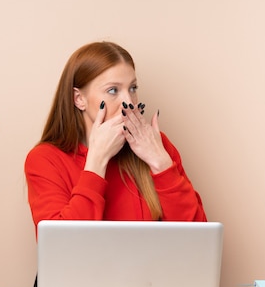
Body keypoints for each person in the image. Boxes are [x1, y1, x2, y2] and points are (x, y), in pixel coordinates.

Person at [25, 41, 206, 229]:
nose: (128, 101)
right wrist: (96, 161)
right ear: (79, 99)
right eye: (113, 90)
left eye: (133, 88)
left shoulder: (157, 144)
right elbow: (62, 246)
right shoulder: (45, 160)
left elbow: (199, 240)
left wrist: (161, 163)